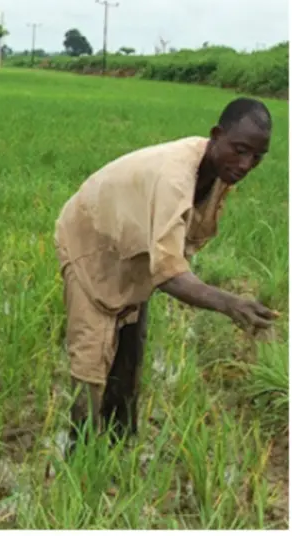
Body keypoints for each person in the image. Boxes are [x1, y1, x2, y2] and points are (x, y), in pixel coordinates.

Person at [53, 96, 278, 454]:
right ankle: (79, 453)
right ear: (216, 135)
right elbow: (169, 273)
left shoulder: (217, 172)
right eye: (240, 150)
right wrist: (229, 303)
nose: (246, 164)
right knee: (92, 355)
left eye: (257, 157)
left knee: (130, 351)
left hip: (132, 248)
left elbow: (173, 248)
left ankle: (120, 445)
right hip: (91, 240)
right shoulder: (175, 177)